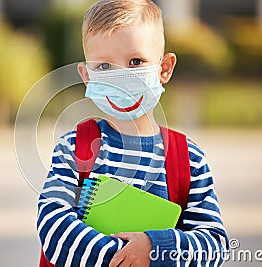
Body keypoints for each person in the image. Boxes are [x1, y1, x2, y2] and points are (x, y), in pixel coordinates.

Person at [37, 0, 229, 266]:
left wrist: (153, 249)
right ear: (86, 76)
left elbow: (213, 245)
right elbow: (53, 226)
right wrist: (124, 255)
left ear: (164, 69)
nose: (121, 78)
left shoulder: (189, 159)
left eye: (136, 61)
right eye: (104, 66)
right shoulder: (72, 149)